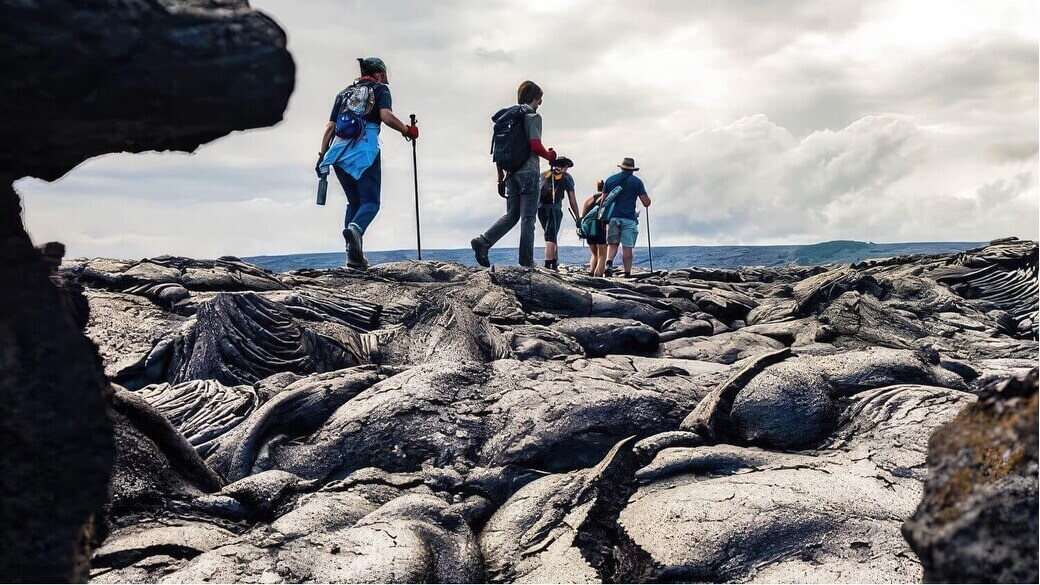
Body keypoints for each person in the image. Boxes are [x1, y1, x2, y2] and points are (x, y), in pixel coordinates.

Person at [317, 57, 418, 270]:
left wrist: (322, 155)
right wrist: (407, 131)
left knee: (354, 203)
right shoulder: (380, 90)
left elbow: (330, 128)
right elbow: (386, 116)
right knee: (370, 203)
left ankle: (353, 258)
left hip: (337, 153)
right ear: (379, 74)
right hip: (363, 150)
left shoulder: (344, 93)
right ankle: (355, 228)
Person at [471, 81, 559, 268]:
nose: (539, 105)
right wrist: (551, 156)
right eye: (539, 101)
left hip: (510, 174)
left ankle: (483, 241)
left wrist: (500, 177)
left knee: (512, 214)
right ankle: (526, 262)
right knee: (528, 219)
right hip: (528, 172)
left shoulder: (508, 119)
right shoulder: (532, 117)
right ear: (534, 99)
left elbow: (498, 152)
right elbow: (535, 145)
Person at [603, 157, 651, 278]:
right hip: (629, 219)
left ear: (622, 168)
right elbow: (646, 203)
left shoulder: (610, 180)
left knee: (613, 244)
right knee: (627, 247)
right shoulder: (637, 182)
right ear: (633, 170)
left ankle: (609, 264)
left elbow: (603, 201)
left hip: (613, 218)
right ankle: (627, 274)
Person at [537, 157, 578, 270]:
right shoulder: (567, 177)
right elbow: (572, 199)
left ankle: (554, 261)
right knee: (551, 235)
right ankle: (548, 264)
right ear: (565, 167)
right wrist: (578, 217)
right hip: (555, 208)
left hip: (540, 208)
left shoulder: (543, 175)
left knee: (550, 233)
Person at [581, 180, 608, 276]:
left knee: (594, 254)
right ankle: (598, 276)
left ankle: (592, 271)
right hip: (601, 228)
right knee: (602, 255)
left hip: (589, 230)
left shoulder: (589, 200)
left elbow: (583, 215)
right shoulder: (605, 199)